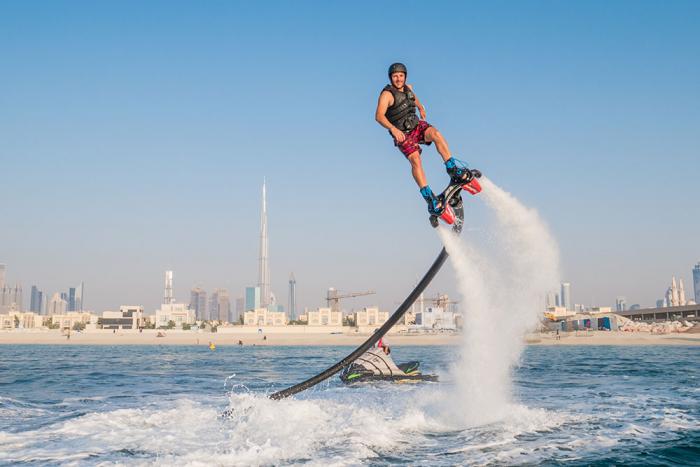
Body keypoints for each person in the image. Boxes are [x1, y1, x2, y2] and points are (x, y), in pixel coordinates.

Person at [375, 62, 473, 215]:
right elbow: (379, 116)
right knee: (415, 159)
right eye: (395, 76)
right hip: (402, 133)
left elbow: (412, 98)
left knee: (436, 134)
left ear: (405, 77)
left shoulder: (408, 88)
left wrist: (420, 107)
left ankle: (452, 169)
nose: (399, 79)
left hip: (416, 126)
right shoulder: (387, 95)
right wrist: (393, 129)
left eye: (401, 76)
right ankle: (429, 198)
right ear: (391, 78)